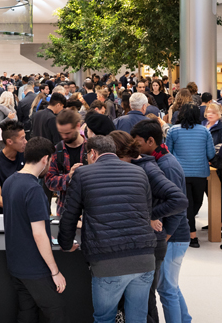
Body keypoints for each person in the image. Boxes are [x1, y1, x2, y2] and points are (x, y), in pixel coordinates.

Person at [58, 135, 156, 323]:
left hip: (107, 261)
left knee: (104, 319)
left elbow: (69, 215)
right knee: (138, 319)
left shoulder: (83, 174)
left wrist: (65, 243)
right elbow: (147, 211)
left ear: (93, 153)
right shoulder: (138, 172)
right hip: (143, 258)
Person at [111, 131, 188, 323]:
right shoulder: (141, 166)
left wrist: (147, 215)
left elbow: (178, 200)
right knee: (145, 297)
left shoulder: (148, 169)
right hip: (144, 239)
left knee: (146, 298)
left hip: (151, 241)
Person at [0, 135, 67, 321]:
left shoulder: (9, 182)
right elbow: (39, 234)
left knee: (27, 313)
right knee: (56, 311)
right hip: (35, 267)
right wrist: (55, 271)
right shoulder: (33, 189)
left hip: (16, 264)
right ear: (45, 159)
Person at [130, 120, 191, 323]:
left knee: (166, 289)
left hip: (174, 235)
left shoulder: (167, 165)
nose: (134, 148)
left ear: (150, 141)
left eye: (137, 143)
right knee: (171, 286)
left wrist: (166, 233)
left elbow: (178, 205)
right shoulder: (158, 160)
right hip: (171, 234)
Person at [166, 103, 216, 248]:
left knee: (186, 203)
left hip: (180, 172)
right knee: (197, 202)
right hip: (200, 173)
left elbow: (167, 151)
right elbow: (211, 154)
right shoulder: (204, 131)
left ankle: (187, 229)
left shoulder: (173, 131)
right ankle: (192, 234)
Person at [43, 109, 87, 219]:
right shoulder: (56, 151)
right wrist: (69, 177)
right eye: (61, 133)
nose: (64, 136)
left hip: (90, 211)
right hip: (65, 210)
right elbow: (49, 182)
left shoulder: (91, 149)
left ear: (77, 126)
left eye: (67, 133)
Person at [0, 120, 27, 213]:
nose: (26, 141)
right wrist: (19, 207)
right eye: (22, 138)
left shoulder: (25, 156)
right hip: (2, 214)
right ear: (9, 141)